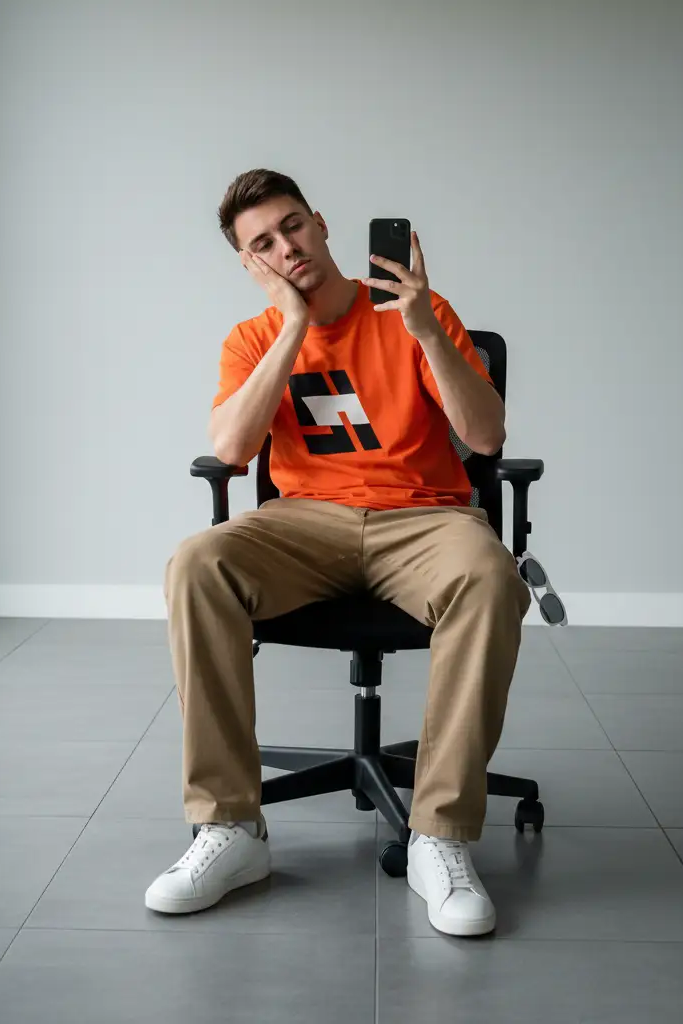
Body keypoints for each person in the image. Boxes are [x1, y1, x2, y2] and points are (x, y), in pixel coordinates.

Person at [145, 168, 531, 937]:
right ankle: (230, 829)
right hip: (306, 523)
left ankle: (440, 838)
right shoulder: (253, 339)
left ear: (320, 224)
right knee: (196, 563)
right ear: (249, 264)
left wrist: (423, 328)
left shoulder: (415, 314)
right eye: (263, 244)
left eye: (292, 227)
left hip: (421, 518)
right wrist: (292, 326)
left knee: (489, 575)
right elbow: (230, 446)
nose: (286, 248)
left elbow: (486, 438)